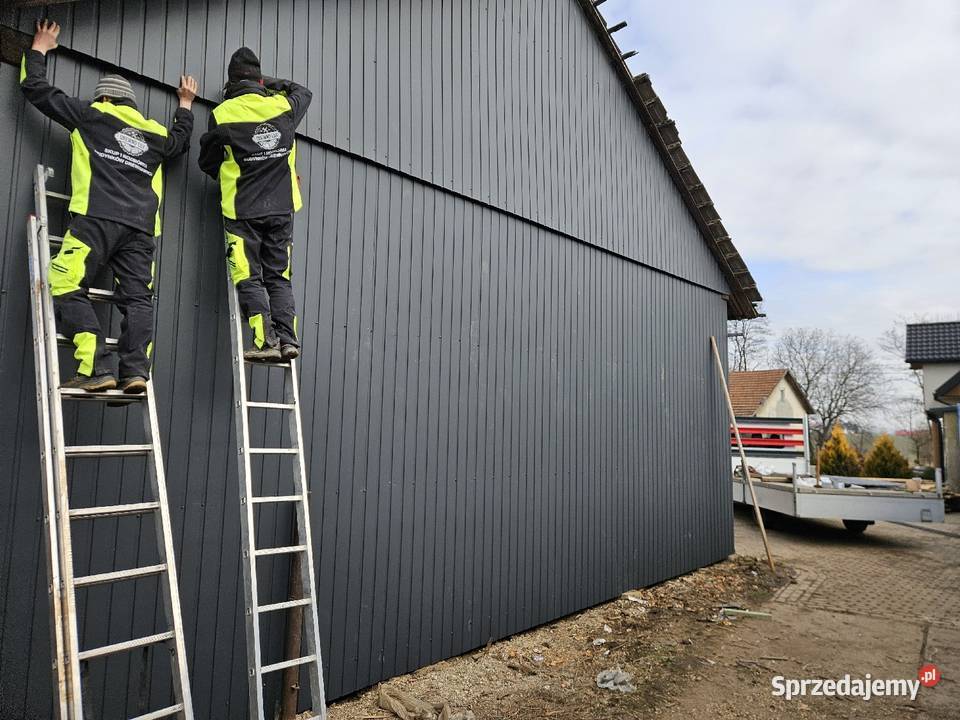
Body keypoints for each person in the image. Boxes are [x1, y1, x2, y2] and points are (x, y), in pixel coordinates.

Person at [20, 19, 197, 393]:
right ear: (131, 103)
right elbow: (181, 141)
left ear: (102, 98)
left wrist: (39, 48)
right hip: (141, 229)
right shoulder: (155, 133)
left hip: (96, 219)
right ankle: (135, 371)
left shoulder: (90, 116)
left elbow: (35, 89)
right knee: (138, 298)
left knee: (65, 280)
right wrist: (185, 104)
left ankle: (96, 366)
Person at [198, 47, 312, 362]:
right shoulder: (284, 107)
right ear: (260, 79)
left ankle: (266, 342)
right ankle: (288, 340)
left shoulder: (223, 114)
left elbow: (207, 162)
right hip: (281, 209)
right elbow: (304, 91)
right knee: (278, 275)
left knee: (248, 275)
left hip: (242, 209)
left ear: (231, 82)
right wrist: (266, 84)